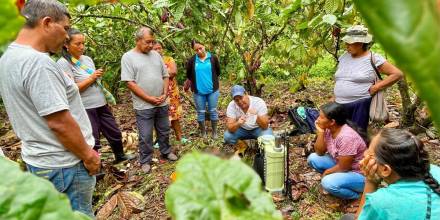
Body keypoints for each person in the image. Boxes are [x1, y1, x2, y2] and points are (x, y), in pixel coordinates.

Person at [0, 0, 99, 217]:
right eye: (64, 28)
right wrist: (88, 155)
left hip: (40, 160)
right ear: (46, 23)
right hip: (65, 164)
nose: (66, 36)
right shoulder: (38, 64)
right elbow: (58, 122)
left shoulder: (8, 57)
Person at [57, 28, 135, 163]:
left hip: (100, 103)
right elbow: (71, 89)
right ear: (66, 45)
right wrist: (92, 78)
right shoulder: (63, 63)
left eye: (83, 43)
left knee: (113, 131)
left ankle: (120, 156)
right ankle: (95, 165)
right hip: (84, 107)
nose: (82, 47)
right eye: (78, 44)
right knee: (92, 136)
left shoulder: (87, 59)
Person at [121, 27, 178, 173]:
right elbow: (129, 82)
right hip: (144, 105)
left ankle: (166, 151)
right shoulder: (128, 57)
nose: (151, 45)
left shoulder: (155, 55)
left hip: (161, 101)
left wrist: (165, 94)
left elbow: (165, 75)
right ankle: (145, 160)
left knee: (164, 129)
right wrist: (149, 98)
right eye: (148, 42)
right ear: (138, 40)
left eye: (153, 42)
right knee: (145, 135)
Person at [349, 129, 439, 220]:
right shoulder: (435, 170)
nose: (365, 153)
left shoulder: (381, 202)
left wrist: (370, 182)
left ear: (385, 169)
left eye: (370, 153)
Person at [334, 25, 403, 130]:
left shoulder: (373, 58)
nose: (347, 46)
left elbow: (397, 74)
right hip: (339, 103)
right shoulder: (343, 57)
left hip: (359, 104)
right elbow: (341, 78)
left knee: (357, 135)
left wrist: (376, 87)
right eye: (346, 43)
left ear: (360, 43)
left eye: (350, 43)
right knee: (339, 133)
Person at [307, 102, 367, 199]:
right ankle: (338, 180)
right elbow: (319, 152)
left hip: (359, 173)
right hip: (341, 163)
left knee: (328, 183)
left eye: (321, 117)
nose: (317, 119)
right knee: (313, 158)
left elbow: (344, 167)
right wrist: (321, 133)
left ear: (332, 122)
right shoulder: (328, 129)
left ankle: (358, 197)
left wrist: (327, 173)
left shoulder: (346, 137)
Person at [152, 42, 187, 144]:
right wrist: (166, 72)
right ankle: (159, 140)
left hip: (172, 93)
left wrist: (158, 73)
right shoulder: (149, 61)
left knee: (175, 115)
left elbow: (173, 72)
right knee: (158, 117)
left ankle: (179, 137)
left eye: (160, 48)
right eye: (155, 49)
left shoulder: (168, 59)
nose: (158, 50)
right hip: (157, 93)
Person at [185, 40, 221, 138]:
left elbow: (217, 72)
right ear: (194, 51)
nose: (199, 51)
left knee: (213, 110)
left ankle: (214, 132)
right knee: (200, 112)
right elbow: (189, 74)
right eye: (196, 50)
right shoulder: (192, 60)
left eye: (200, 48)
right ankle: (203, 133)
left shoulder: (213, 58)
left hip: (212, 90)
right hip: (198, 92)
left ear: (204, 46)